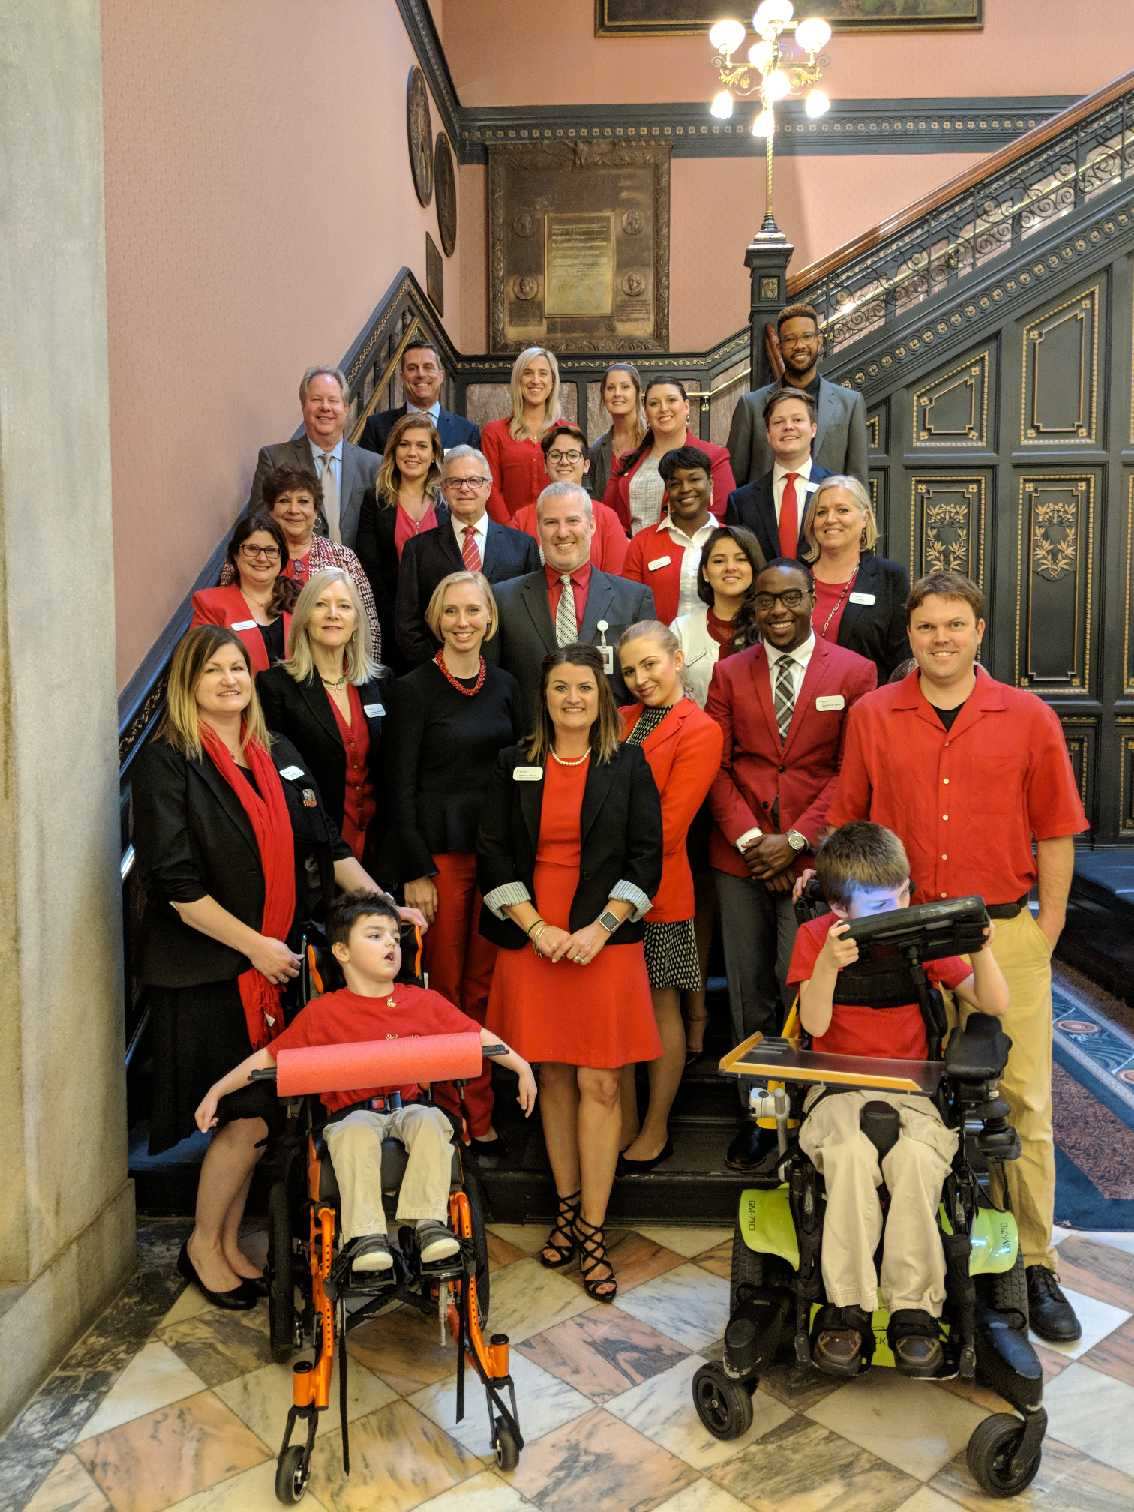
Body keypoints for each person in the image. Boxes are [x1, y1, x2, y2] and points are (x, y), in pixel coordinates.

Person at [826, 569, 1089, 1342]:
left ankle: (1034, 1263)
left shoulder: (1028, 717)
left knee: (1022, 1104)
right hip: (901, 938)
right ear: (908, 637)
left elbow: (1055, 830)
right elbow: (851, 824)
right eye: (926, 627)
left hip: (1000, 933)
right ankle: (917, 1257)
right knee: (915, 1098)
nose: (940, 639)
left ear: (979, 631)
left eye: (955, 625)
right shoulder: (875, 715)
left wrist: (1048, 926)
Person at [131, 626, 401, 1307]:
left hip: (271, 968)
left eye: (238, 668)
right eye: (213, 670)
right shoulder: (168, 762)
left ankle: (223, 1243)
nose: (229, 680)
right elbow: (174, 883)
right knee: (245, 1117)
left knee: (261, 1121)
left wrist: (381, 906)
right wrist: (254, 946)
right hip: (206, 974)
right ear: (187, 684)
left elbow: (327, 843)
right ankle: (203, 1246)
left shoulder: (276, 752)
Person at [195, 893, 536, 1275]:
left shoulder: (422, 1002)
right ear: (341, 951)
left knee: (431, 1121)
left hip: (408, 1108)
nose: (391, 942)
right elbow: (270, 1058)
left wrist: (520, 1066)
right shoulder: (323, 1013)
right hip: (351, 1115)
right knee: (355, 1132)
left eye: (394, 936)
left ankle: (429, 1226)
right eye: (375, 935)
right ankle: (364, 1238)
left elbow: (478, 1037)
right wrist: (218, 1091)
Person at [477, 644, 663, 1301]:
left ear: (602, 697)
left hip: (602, 943)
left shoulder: (629, 763)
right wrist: (538, 929)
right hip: (534, 940)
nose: (573, 698)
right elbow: (494, 856)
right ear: (545, 697)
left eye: (585, 687)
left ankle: (593, 1229)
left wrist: (597, 930)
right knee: (552, 1074)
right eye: (560, 687)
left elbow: (646, 860)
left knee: (602, 1085)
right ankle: (565, 1206)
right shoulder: (512, 764)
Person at [790, 823, 1009, 1377]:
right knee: (850, 1156)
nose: (899, 908)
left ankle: (913, 1308)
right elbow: (812, 1024)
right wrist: (826, 968)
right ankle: (849, 1308)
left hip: (913, 1091)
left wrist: (980, 951)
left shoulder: (920, 935)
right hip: (836, 1088)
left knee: (914, 1159)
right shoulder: (817, 937)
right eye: (881, 904)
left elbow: (991, 1002)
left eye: (903, 894)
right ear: (840, 904)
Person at [707, 559, 877, 1169]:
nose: (777, 611)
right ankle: (758, 1116)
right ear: (752, 608)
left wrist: (799, 841)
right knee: (750, 993)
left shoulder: (855, 673)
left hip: (815, 858)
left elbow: (849, 770)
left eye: (789, 599)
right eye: (765, 602)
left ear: (811, 599)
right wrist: (756, 840)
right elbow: (716, 765)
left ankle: (807, 1113)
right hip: (742, 858)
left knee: (798, 985)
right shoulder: (729, 674)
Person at [386, 572, 522, 1156]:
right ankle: (446, 1113)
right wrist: (417, 870)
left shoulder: (512, 687)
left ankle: (481, 1105)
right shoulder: (413, 689)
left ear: (490, 619)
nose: (463, 622)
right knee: (441, 988)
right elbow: (399, 788)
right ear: (437, 619)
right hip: (439, 862)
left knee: (485, 987)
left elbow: (525, 774)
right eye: (451, 611)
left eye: (474, 611)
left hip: (497, 859)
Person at [615, 622, 722, 1171]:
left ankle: (657, 1125)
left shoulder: (699, 729)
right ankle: (627, 1120)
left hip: (659, 891)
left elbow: (670, 825)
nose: (639, 679)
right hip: (605, 891)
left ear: (677, 659)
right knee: (621, 1010)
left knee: (660, 1008)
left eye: (649, 665)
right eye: (629, 670)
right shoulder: (622, 719)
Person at [493, 483, 655, 729]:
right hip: (531, 748)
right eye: (550, 523)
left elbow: (646, 689)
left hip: (611, 748)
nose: (562, 532)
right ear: (538, 529)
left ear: (591, 526)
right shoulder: (503, 598)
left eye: (572, 521)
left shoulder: (634, 599)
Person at [256, 569, 386, 868]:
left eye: (344, 605)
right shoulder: (275, 686)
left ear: (356, 622)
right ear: (304, 617)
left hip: (378, 848)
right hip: (316, 852)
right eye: (321, 604)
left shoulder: (380, 684)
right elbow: (282, 779)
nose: (333, 614)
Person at [394, 445, 539, 666]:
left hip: (507, 675)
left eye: (474, 480)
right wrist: (438, 670)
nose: (465, 488)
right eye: (455, 482)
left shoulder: (522, 546)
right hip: (440, 679)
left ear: (489, 487)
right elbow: (407, 624)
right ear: (443, 489)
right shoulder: (418, 550)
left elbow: (531, 619)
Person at [218, 467, 381, 662]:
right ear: (270, 510)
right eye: (284, 501)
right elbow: (226, 610)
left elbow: (368, 624)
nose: (294, 510)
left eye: (303, 501)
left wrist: (363, 676)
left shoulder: (342, 558)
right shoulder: (248, 557)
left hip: (331, 668)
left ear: (316, 510)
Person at [727, 304, 868, 486]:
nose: (799, 345)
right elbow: (732, 481)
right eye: (790, 339)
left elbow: (857, 481)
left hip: (826, 511)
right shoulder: (751, 405)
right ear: (779, 347)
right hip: (767, 512)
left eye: (807, 337)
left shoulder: (850, 404)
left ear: (819, 340)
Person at [246, 365, 380, 549]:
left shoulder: (373, 464)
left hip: (354, 575)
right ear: (303, 407)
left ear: (346, 408)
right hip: (293, 574)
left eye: (333, 400)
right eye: (316, 399)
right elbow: (258, 527)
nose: (325, 407)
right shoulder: (274, 459)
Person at [354, 414, 445, 667]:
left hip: (443, 626)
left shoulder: (447, 503)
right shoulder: (375, 500)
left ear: (434, 453)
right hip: (390, 622)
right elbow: (369, 567)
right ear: (393, 451)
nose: (412, 452)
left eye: (421, 445)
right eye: (404, 444)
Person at [800, 475, 909, 682]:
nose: (830, 519)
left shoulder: (890, 578)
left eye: (842, 510)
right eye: (821, 512)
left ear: (865, 518)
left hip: (867, 704)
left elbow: (901, 658)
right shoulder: (794, 575)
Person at [605, 378, 735, 536]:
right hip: (631, 554)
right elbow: (608, 517)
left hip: (690, 553)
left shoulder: (714, 456)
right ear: (646, 413)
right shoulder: (627, 461)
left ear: (686, 407)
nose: (663, 408)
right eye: (654, 404)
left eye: (671, 400)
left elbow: (720, 518)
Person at [726, 389, 832, 564]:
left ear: (813, 429)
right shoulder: (741, 501)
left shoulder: (837, 489)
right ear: (768, 434)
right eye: (778, 422)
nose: (788, 426)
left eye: (797, 420)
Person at [510, 422, 628, 573]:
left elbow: (616, 583)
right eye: (555, 455)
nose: (564, 461)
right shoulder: (521, 520)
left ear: (586, 465)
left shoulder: (607, 518)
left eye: (572, 455)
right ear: (545, 465)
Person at [622, 446, 721, 625]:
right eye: (675, 484)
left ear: (711, 483)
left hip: (722, 648)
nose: (685, 489)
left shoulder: (730, 539)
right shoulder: (643, 543)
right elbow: (629, 606)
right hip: (660, 648)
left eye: (694, 479)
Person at [670, 525, 765, 709]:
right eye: (719, 561)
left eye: (741, 559)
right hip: (697, 734)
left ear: (754, 569)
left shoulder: (770, 625)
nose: (730, 568)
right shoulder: (681, 629)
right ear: (705, 572)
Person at [192, 514, 296, 674]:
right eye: (252, 549)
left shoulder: (300, 599)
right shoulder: (210, 604)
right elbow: (201, 665)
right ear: (235, 555)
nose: (262, 558)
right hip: (243, 696)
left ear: (282, 557)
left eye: (271, 550)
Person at [481, 346, 562, 523]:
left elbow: (573, 490)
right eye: (528, 373)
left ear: (553, 381)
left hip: (559, 534)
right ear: (518, 380)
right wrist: (510, 533)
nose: (535, 380)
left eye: (543, 373)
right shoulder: (494, 432)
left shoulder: (567, 432)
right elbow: (491, 489)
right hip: (510, 536)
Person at [358, 339, 480, 455]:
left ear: (441, 376)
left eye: (428, 367)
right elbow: (366, 475)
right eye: (412, 368)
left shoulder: (466, 431)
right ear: (402, 377)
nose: (420, 374)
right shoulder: (376, 427)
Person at [587, 362, 646, 502]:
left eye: (625, 387)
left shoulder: (655, 441)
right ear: (603, 395)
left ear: (637, 392)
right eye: (610, 388)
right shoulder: (597, 449)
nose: (617, 393)